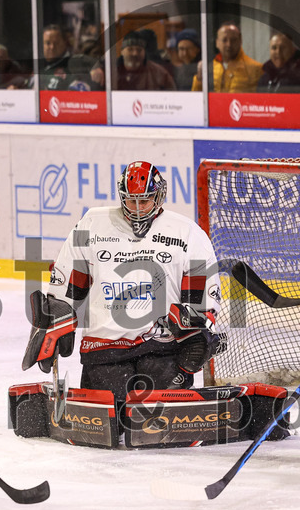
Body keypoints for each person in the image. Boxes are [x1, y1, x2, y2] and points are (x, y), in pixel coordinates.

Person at [22, 162, 222, 417]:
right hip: (104, 348)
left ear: (159, 195)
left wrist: (197, 330)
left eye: (145, 200)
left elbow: (202, 296)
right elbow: (67, 285)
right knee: (108, 424)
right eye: (131, 201)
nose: (137, 209)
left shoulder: (188, 232)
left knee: (156, 426)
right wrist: (56, 318)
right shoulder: (92, 224)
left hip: (162, 349)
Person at [191, 22, 262, 92]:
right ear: (217, 43)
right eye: (224, 40)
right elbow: (196, 99)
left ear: (240, 40)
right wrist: (199, 79)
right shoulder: (209, 68)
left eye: (233, 40)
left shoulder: (256, 69)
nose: (229, 44)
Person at [40, 24, 100, 91]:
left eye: (57, 43)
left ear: (65, 43)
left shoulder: (76, 63)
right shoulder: (37, 67)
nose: (52, 47)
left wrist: (97, 67)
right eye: (48, 43)